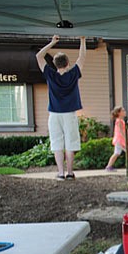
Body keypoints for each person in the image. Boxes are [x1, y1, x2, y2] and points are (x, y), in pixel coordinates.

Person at [36, 35, 86, 181]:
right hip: (69, 114)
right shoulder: (73, 74)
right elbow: (82, 57)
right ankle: (70, 173)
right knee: (71, 143)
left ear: (55, 64)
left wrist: (52, 42)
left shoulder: (50, 75)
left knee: (57, 143)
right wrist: (82, 40)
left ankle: (60, 173)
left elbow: (38, 56)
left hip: (54, 114)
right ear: (68, 63)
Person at [105, 106, 126, 171]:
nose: (125, 112)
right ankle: (108, 166)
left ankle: (109, 166)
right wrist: (125, 138)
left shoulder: (121, 120)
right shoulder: (119, 121)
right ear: (119, 113)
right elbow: (121, 131)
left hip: (119, 140)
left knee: (117, 153)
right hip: (120, 140)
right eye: (123, 111)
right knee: (126, 152)